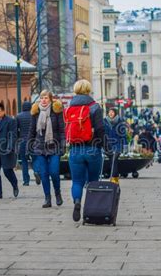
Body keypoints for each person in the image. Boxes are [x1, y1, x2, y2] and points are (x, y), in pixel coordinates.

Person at [65, 79, 106, 222]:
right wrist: (105, 146)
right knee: (93, 181)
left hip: (75, 150)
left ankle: (77, 201)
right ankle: (91, 209)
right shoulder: (95, 107)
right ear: (88, 90)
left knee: (77, 181)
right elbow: (100, 129)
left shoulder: (69, 108)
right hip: (92, 148)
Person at [28, 90, 65, 208]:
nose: (43, 100)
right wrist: (28, 146)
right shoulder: (35, 112)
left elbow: (61, 130)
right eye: (41, 98)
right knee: (43, 174)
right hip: (39, 147)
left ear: (50, 99)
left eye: (45, 98)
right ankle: (47, 198)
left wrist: (63, 145)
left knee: (54, 172)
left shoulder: (56, 111)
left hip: (54, 146)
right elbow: (32, 130)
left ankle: (57, 193)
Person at [16, 101, 39, 186]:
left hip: (22, 140)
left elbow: (16, 129)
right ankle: (36, 171)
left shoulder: (18, 116)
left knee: (24, 161)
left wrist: (18, 138)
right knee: (35, 158)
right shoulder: (33, 115)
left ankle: (26, 181)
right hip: (33, 140)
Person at [104, 108, 127, 184]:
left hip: (117, 145)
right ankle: (115, 178)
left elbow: (123, 135)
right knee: (112, 161)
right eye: (109, 112)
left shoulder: (120, 122)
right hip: (108, 145)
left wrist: (125, 146)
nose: (110, 113)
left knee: (114, 159)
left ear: (115, 113)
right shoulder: (105, 122)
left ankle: (114, 178)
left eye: (112, 112)